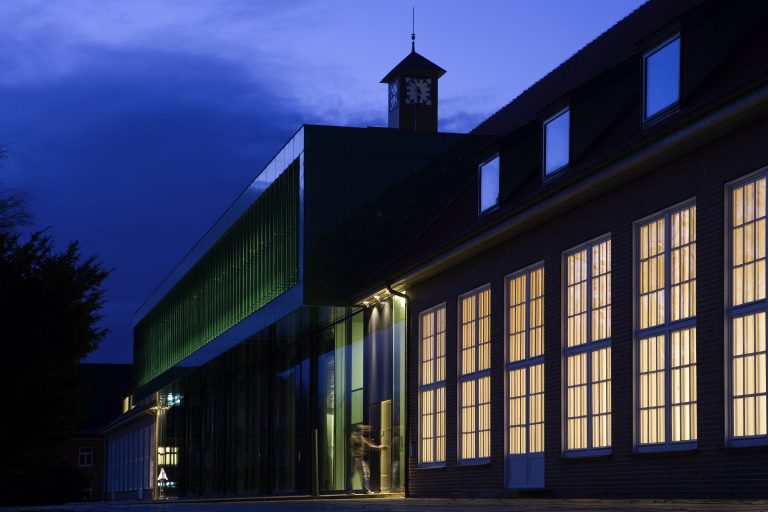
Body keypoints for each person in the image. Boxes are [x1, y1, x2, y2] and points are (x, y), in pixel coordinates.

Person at [349, 423, 386, 494]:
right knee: (352, 475)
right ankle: (349, 490)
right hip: (355, 458)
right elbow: (351, 448)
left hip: (360, 458)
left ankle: (366, 490)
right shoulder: (353, 437)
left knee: (364, 474)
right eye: (362, 430)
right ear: (359, 430)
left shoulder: (361, 438)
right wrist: (353, 456)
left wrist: (379, 447)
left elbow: (369, 445)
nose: (363, 431)